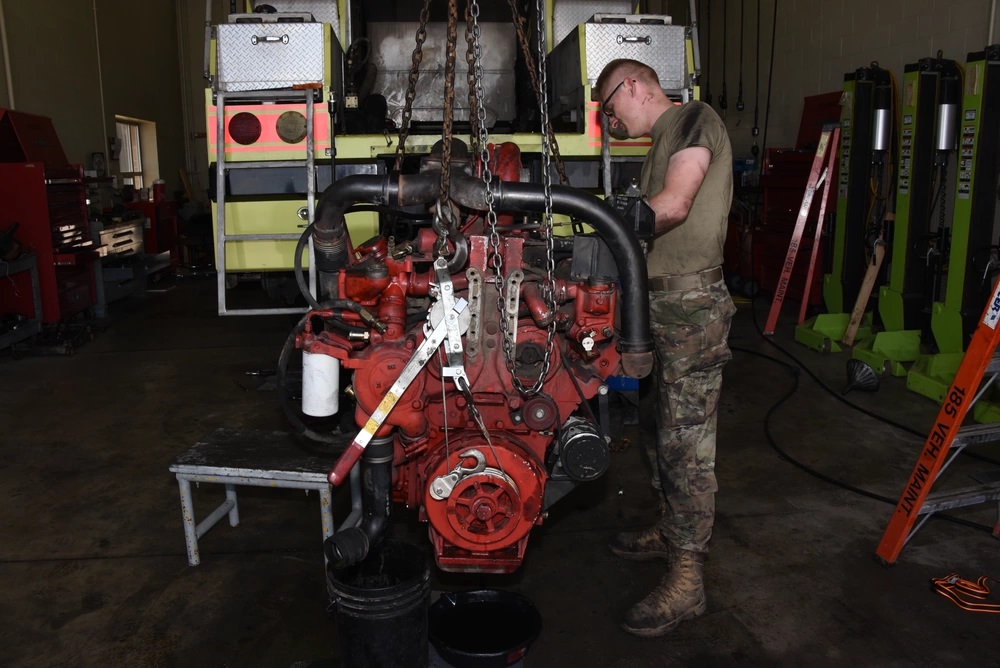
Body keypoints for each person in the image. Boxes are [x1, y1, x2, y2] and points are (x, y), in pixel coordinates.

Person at [594, 59, 736, 637]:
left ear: (633, 85)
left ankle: (688, 577)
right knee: (657, 428)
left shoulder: (694, 120)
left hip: (692, 308)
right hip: (658, 307)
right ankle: (667, 526)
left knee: (687, 443)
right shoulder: (661, 143)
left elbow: (675, 204)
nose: (608, 121)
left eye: (608, 107)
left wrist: (604, 228)